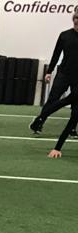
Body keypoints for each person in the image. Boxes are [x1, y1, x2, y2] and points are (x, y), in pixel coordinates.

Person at [30, 9, 78, 137]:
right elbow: (56, 54)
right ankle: (39, 121)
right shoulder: (64, 35)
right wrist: (49, 71)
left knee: (76, 103)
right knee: (53, 99)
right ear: (73, 20)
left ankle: (72, 128)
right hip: (64, 74)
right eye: (76, 20)